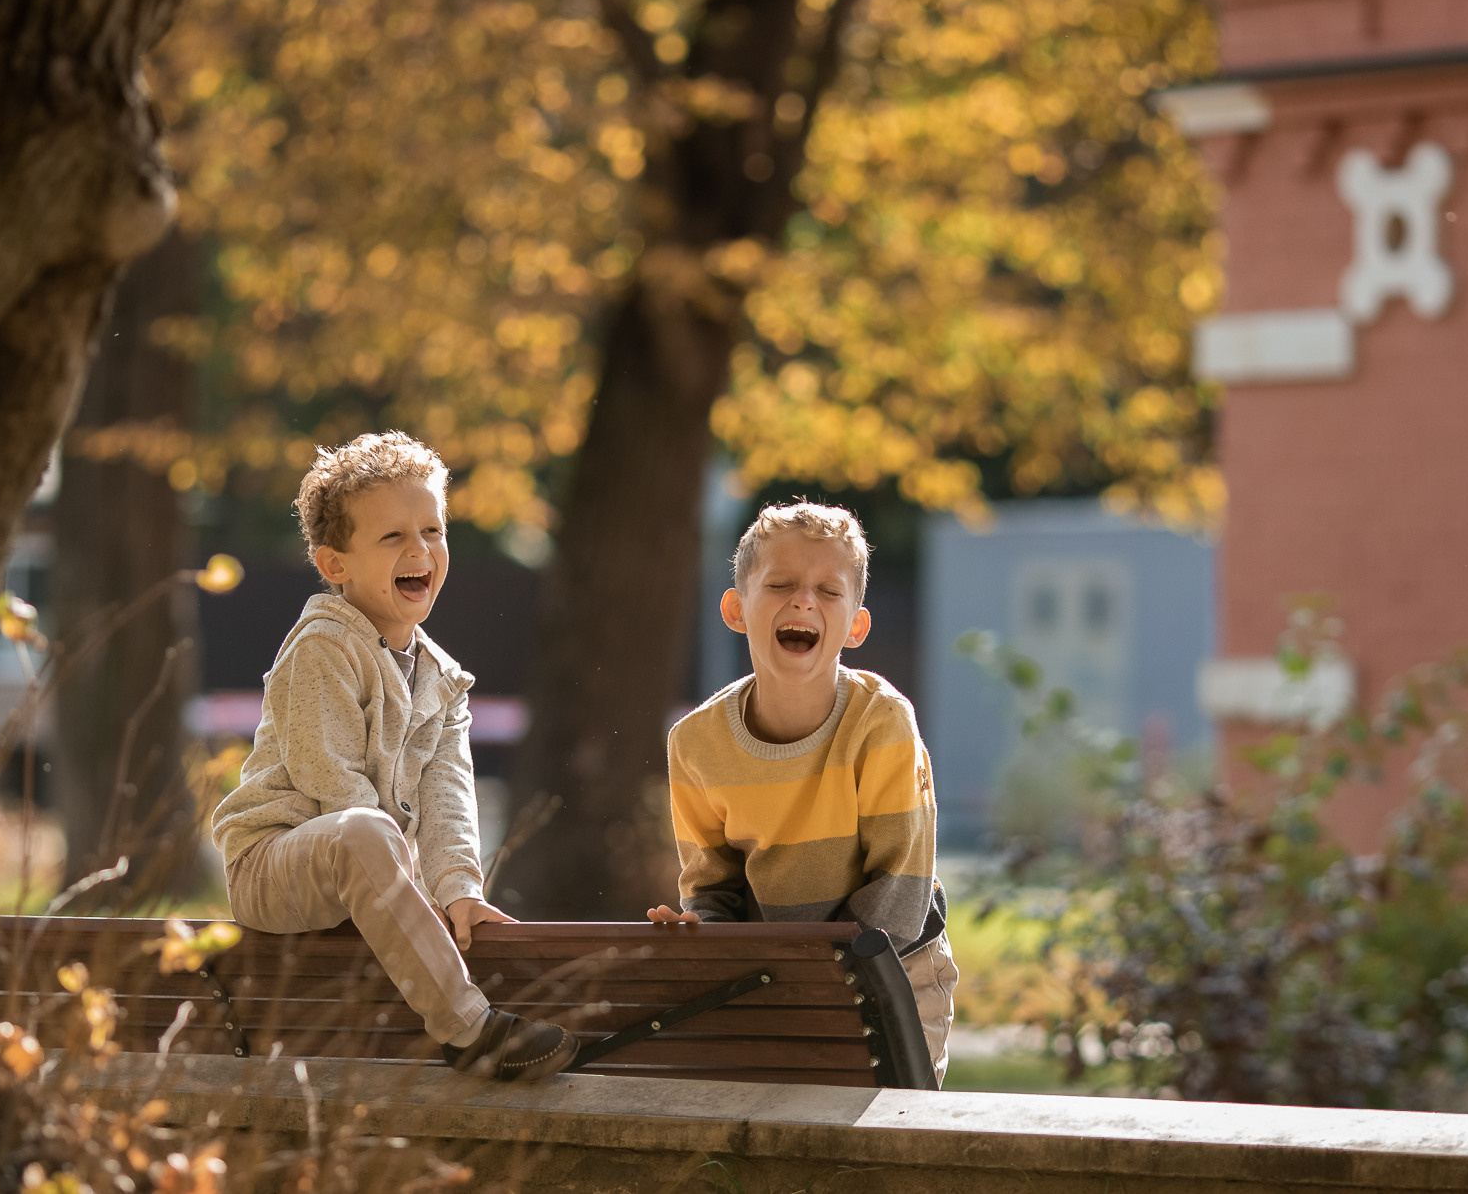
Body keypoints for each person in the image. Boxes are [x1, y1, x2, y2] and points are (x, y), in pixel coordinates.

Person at [212, 432, 576, 1081]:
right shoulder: (322, 646)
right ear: (335, 564)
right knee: (365, 828)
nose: (420, 550)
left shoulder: (443, 679)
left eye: (432, 530)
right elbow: (332, 784)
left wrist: (459, 889)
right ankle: (468, 1030)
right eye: (392, 538)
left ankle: (461, 987)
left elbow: (448, 799)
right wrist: (407, 883)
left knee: (379, 837)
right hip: (275, 863)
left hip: (366, 867)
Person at [647, 502, 957, 1084]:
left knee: (885, 1138)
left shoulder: (881, 722)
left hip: (896, 968)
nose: (803, 601)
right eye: (781, 584)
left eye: (828, 591)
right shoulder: (695, 744)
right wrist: (702, 935)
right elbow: (714, 888)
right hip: (780, 971)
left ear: (856, 626)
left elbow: (899, 890)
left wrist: (808, 975)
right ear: (736, 609)